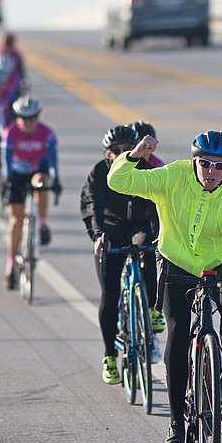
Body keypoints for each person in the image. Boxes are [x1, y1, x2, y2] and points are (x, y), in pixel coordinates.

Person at [106, 129, 222, 443]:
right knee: (179, 333)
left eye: (220, 166)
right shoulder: (172, 176)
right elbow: (119, 182)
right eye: (205, 164)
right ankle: (177, 425)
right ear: (194, 161)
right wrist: (135, 156)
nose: (211, 172)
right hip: (176, 261)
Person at [80, 125, 165, 385]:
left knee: (149, 248)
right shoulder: (99, 172)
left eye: (127, 150)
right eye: (115, 151)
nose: (121, 154)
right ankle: (109, 356)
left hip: (138, 227)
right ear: (107, 155)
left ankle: (150, 309)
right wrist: (98, 235)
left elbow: (156, 208)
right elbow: (92, 206)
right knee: (110, 294)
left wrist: (158, 235)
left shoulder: (147, 171)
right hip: (110, 229)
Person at [0, 96, 61, 289]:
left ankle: (42, 223)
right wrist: (6, 182)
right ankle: (10, 265)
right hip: (16, 175)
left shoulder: (47, 134)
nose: (28, 122)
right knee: (16, 220)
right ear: (17, 117)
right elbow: (6, 163)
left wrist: (56, 179)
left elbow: (52, 162)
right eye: (24, 118)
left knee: (42, 183)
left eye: (33, 118)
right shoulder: (10, 133)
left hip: (37, 172)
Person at [0, 32, 28, 128]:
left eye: (10, 44)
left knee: (15, 110)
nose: (8, 47)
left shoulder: (17, 55)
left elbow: (21, 70)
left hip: (13, 88)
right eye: (6, 44)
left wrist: (23, 82)